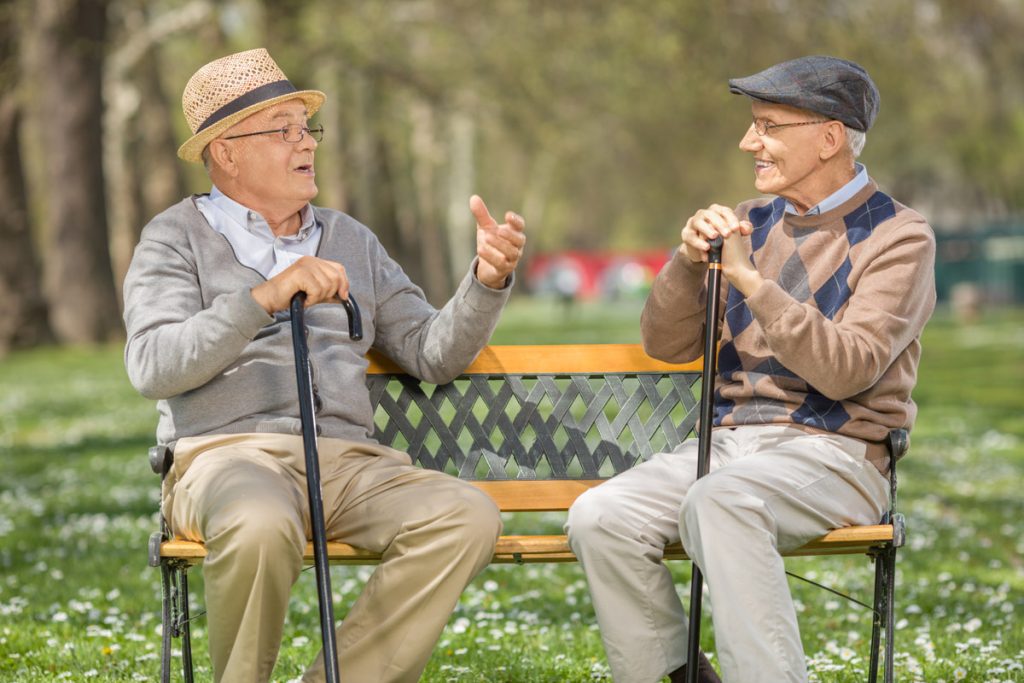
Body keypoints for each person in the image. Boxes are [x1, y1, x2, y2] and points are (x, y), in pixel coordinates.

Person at [123, 48, 526, 683]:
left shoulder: (351, 239)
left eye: (305, 128)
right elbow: (152, 364)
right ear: (225, 152)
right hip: (228, 459)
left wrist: (486, 279)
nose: (304, 143)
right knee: (257, 520)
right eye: (280, 130)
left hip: (348, 464)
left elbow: (431, 353)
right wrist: (263, 297)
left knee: (465, 515)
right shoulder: (173, 238)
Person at [566, 55, 936, 683]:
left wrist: (748, 280)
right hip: (732, 445)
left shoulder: (899, 236)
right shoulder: (751, 222)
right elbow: (666, 344)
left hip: (839, 454)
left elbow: (849, 370)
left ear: (828, 137)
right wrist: (687, 263)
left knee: (722, 500)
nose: (747, 142)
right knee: (599, 517)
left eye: (767, 125)